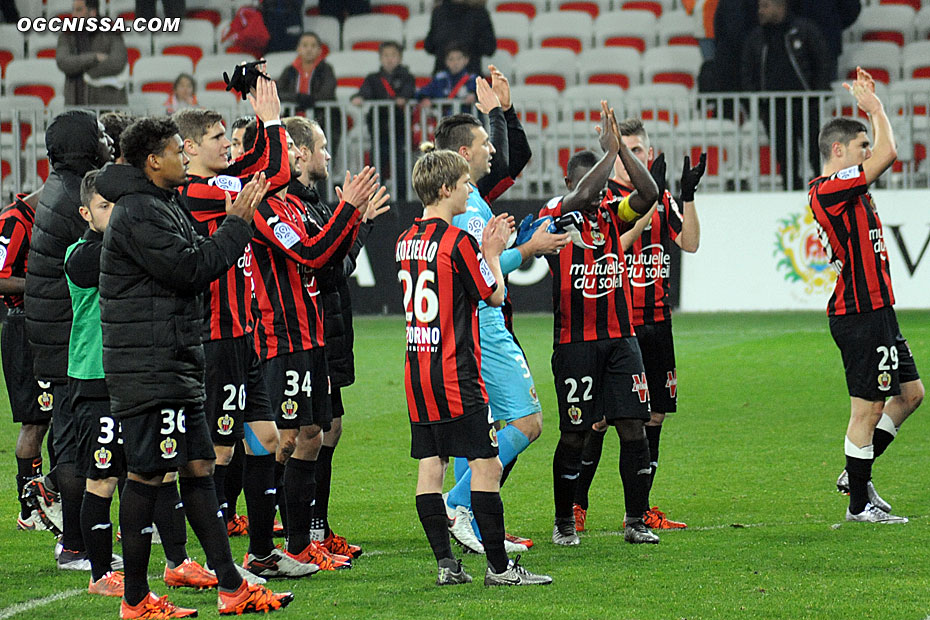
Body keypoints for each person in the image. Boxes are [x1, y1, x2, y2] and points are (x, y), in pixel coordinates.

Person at [96, 117, 291, 617]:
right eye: (175, 150)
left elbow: (194, 262)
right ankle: (135, 599)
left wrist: (229, 230)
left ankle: (230, 586)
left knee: (198, 465)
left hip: (175, 359)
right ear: (151, 161)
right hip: (150, 365)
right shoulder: (139, 212)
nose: (184, 156)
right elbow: (191, 268)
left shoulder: (158, 204)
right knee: (146, 475)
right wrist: (237, 226)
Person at [173, 78, 313, 580]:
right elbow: (272, 173)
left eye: (228, 140)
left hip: (244, 335)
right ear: (188, 148)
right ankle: (217, 561)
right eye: (217, 139)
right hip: (218, 337)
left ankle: (260, 553)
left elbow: (260, 171)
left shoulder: (218, 184)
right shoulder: (196, 192)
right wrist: (271, 122)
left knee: (269, 439)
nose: (226, 147)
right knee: (216, 453)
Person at [397, 146, 551, 587]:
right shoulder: (459, 242)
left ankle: (447, 567)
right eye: (464, 183)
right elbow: (494, 295)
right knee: (486, 466)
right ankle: (501, 569)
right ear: (446, 189)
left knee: (431, 467)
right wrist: (492, 250)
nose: (470, 189)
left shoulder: (404, 240)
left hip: (417, 371)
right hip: (455, 374)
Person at [436, 69, 569, 554]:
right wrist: (530, 247)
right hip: (482, 324)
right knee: (527, 422)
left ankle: (472, 510)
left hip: (461, 327)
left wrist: (502, 113)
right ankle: (458, 503)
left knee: (477, 427)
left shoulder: (461, 198)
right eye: (484, 143)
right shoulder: (468, 204)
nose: (493, 151)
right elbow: (482, 269)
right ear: (464, 154)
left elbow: (514, 156)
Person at [249, 122, 375, 568]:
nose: (300, 158)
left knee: (310, 435)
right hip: (281, 338)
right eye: (291, 151)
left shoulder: (294, 207)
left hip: (311, 336)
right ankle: (263, 548)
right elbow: (313, 256)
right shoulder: (264, 209)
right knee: (281, 441)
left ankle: (301, 544)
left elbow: (326, 251)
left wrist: (351, 214)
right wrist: (349, 209)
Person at [572, 119, 706, 533]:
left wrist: (686, 197)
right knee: (600, 420)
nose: (633, 160)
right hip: (617, 325)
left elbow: (690, 243)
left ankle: (643, 508)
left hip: (657, 322)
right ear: (615, 162)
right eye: (625, 151)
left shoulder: (663, 197)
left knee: (655, 418)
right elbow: (618, 242)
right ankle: (577, 505)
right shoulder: (604, 201)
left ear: (647, 155)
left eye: (640, 151)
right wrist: (650, 205)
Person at [539, 102, 660, 546]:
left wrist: (621, 155)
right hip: (575, 344)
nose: (598, 191)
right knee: (573, 433)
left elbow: (649, 195)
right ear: (571, 181)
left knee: (633, 426)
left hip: (619, 339)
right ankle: (564, 521)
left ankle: (635, 520)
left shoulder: (612, 210)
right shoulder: (557, 212)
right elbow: (578, 199)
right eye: (590, 183)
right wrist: (608, 153)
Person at [808, 67, 922, 524]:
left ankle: (857, 473)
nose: (868, 153)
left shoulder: (852, 189)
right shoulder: (829, 191)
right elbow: (891, 152)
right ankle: (858, 505)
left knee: (910, 395)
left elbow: (882, 154)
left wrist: (873, 111)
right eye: (860, 147)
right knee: (868, 406)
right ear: (838, 151)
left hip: (879, 311)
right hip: (858, 312)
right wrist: (874, 108)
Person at [284, 115, 386, 559]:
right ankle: (294, 533)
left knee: (327, 430)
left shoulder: (315, 205)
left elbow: (338, 263)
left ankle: (316, 529)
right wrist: (357, 223)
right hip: (308, 336)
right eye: (322, 147)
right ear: (301, 153)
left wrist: (356, 222)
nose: (329, 155)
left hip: (331, 333)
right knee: (297, 436)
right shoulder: (292, 207)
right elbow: (328, 267)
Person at [25, 109, 113, 568]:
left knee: (74, 438)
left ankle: (78, 538)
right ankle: (75, 544)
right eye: (99, 134)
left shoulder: (60, 188)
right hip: (69, 343)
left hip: (57, 336)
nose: (105, 139)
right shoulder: (71, 201)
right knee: (76, 442)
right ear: (85, 145)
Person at [65, 171, 126, 596]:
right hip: (94, 376)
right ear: (86, 212)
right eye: (105, 206)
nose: (115, 213)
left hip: (131, 374)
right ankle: (99, 574)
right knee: (101, 477)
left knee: (148, 474)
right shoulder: (79, 255)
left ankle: (176, 561)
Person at [0, 189, 56, 532]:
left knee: (54, 416)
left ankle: (45, 498)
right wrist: (40, 285)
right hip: (23, 329)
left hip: (46, 327)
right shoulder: (13, 221)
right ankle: (28, 509)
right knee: (34, 421)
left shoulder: (47, 220)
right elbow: (1, 278)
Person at [741, 0, 830, 190]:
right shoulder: (756, 38)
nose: (760, 11)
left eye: (765, 6)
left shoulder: (804, 30)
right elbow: (747, 73)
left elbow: (822, 62)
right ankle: (790, 191)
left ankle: (825, 192)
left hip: (806, 104)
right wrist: (760, 104)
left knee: (815, 151)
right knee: (784, 155)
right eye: (759, 7)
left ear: (780, 7)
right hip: (773, 108)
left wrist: (816, 95)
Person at [351, 41, 416, 200]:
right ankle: (375, 199)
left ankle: (403, 200)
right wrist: (358, 98)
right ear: (380, 58)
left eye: (393, 55)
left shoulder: (407, 77)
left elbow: (409, 92)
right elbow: (362, 93)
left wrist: (403, 99)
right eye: (386, 55)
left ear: (400, 58)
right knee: (377, 166)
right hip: (379, 130)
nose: (389, 59)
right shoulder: (373, 78)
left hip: (400, 130)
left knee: (401, 165)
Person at [276, 32, 341, 156]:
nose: (309, 49)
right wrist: (299, 98)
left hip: (323, 121)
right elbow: (279, 92)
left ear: (319, 50)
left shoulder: (326, 69)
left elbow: (327, 93)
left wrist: (307, 100)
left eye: (313, 46)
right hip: (293, 122)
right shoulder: (289, 70)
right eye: (305, 45)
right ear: (298, 49)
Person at [55, 0, 128, 106]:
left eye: (79, 10)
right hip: (75, 103)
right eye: (73, 10)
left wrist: (88, 74)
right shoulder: (67, 34)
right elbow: (63, 61)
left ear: (92, 12)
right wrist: (94, 58)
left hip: (108, 104)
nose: (73, 15)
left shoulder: (111, 31)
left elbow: (117, 62)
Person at [790, 0, 861, 82]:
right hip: (792, 42)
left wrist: (835, 26)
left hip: (826, 44)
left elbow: (851, 8)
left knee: (824, 86)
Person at [424, 0, 496, 76]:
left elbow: (490, 48)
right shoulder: (438, 12)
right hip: (442, 80)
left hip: (470, 79)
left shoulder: (480, 13)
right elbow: (429, 46)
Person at [416, 45, 478, 110]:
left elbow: (486, 92)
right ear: (446, 61)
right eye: (451, 59)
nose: (455, 62)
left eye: (459, 59)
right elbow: (422, 91)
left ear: (466, 60)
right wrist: (424, 98)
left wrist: (475, 96)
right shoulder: (440, 79)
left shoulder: (473, 79)